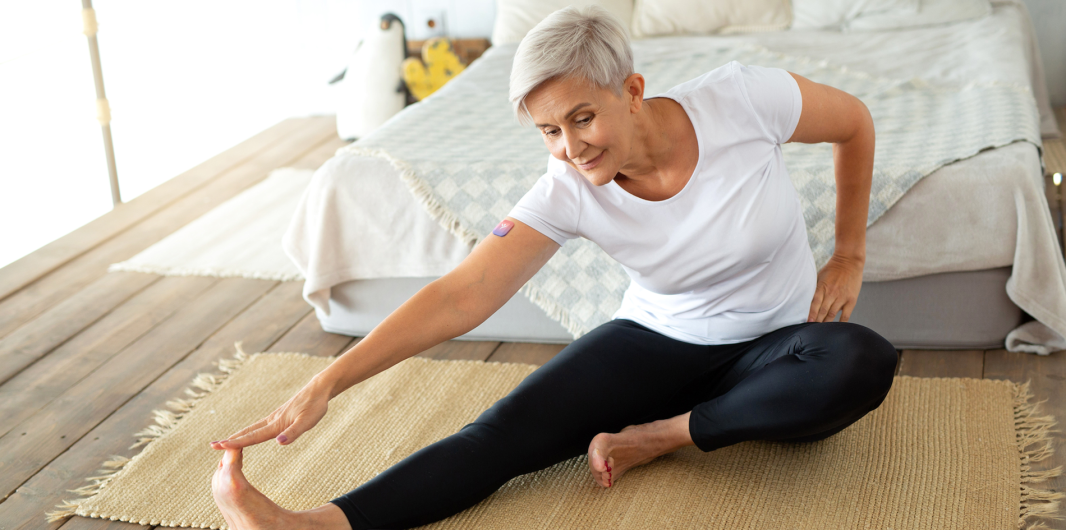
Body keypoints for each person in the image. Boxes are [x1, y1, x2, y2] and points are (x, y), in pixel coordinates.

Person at [207, 5, 897, 530]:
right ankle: (322, 525)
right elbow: (464, 294)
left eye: (582, 117)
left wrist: (849, 253)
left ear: (631, 89)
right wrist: (330, 380)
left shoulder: (743, 100)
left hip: (779, 344)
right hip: (658, 342)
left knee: (860, 360)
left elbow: (855, 122)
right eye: (548, 130)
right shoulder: (564, 186)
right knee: (500, 434)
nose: (569, 148)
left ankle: (659, 437)